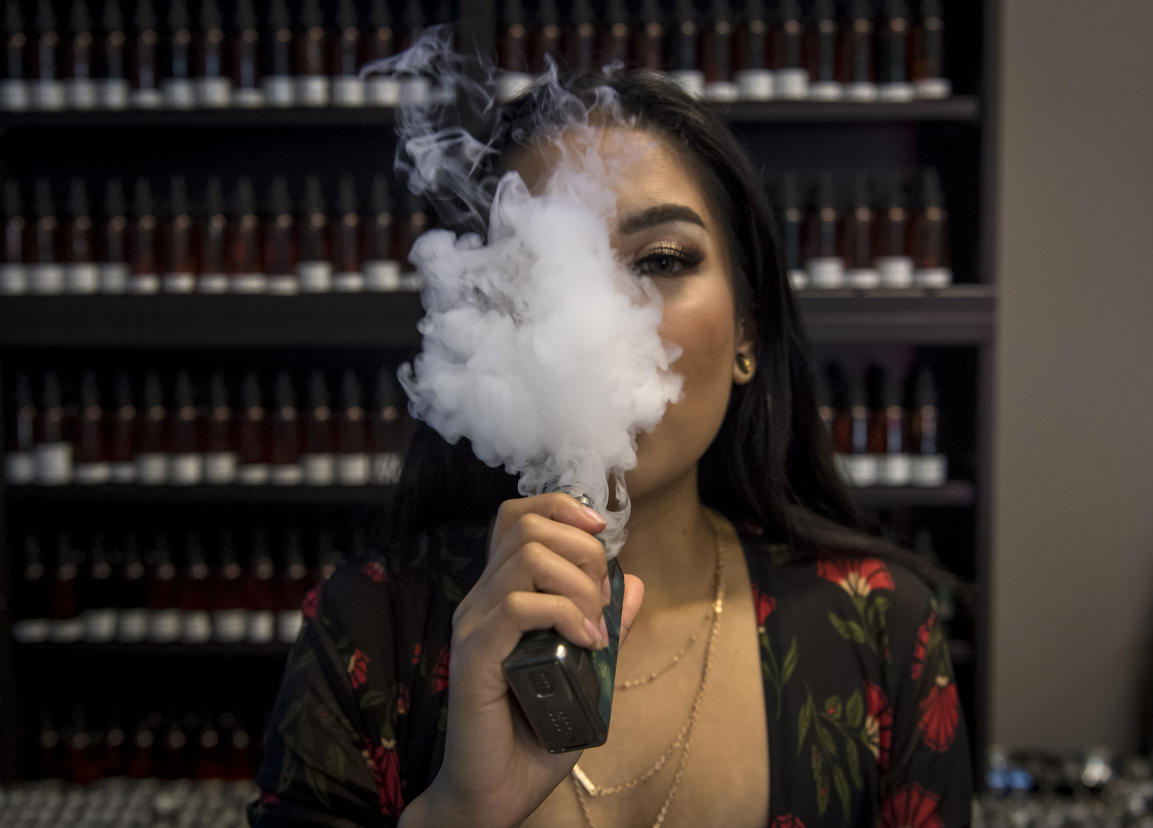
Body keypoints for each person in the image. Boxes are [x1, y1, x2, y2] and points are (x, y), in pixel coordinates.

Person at [247, 69, 972, 828]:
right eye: (547, 273)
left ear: (748, 330)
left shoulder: (880, 632)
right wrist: (462, 810)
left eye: (661, 261)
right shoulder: (369, 623)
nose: (604, 325)